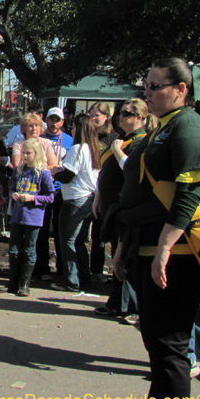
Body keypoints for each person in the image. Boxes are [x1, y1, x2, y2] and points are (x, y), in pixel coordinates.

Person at [113, 58, 200, 399]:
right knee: (160, 351)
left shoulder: (190, 126)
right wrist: (126, 246)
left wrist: (164, 248)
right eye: (146, 86)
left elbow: (190, 194)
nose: (147, 93)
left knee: (170, 350)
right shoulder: (166, 126)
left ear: (181, 89)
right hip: (150, 250)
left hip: (178, 259)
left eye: (155, 86)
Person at [92, 98, 153, 320]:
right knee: (117, 252)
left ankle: (131, 307)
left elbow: (132, 171)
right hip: (110, 206)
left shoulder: (140, 142)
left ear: (141, 118)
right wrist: (98, 197)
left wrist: (118, 151)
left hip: (125, 207)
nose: (121, 117)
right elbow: (105, 172)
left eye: (127, 113)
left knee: (126, 254)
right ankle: (117, 302)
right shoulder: (122, 139)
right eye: (121, 113)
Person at [0, 138, 54, 296]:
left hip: (33, 217)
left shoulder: (43, 173)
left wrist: (33, 198)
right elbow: (11, 188)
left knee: (29, 249)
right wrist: (13, 194)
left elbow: (50, 197)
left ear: (37, 153)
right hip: (17, 216)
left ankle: (25, 284)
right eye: (23, 153)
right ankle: (12, 283)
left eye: (29, 153)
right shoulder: (19, 171)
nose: (25, 156)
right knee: (14, 249)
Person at [51, 113, 101, 292]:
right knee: (79, 242)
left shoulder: (77, 148)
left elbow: (68, 176)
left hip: (75, 199)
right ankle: (83, 279)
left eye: (73, 127)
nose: (71, 130)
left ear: (79, 129)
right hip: (89, 199)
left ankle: (71, 281)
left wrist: (56, 173)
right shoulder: (93, 149)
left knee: (68, 241)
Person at [35, 107, 73, 281]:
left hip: (61, 189)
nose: (54, 123)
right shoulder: (40, 138)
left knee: (60, 229)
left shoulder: (69, 140)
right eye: (51, 119)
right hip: (42, 189)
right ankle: (42, 268)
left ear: (62, 122)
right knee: (42, 229)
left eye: (57, 120)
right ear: (46, 120)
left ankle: (62, 268)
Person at [88, 101, 118, 281]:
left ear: (106, 117)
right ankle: (96, 270)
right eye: (91, 115)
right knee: (95, 235)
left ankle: (115, 272)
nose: (94, 118)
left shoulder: (114, 138)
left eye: (97, 115)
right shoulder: (88, 136)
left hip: (105, 187)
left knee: (106, 232)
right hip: (89, 187)